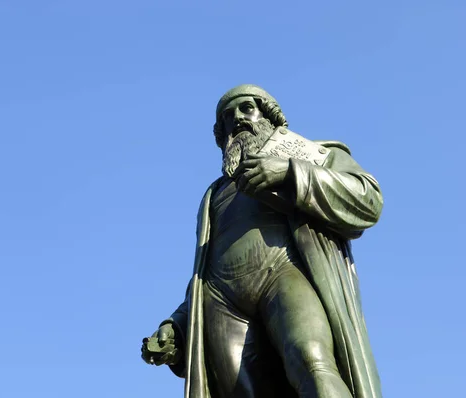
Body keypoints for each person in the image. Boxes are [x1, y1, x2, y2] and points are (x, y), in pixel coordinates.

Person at [141, 84, 383, 398]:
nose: (238, 119)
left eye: (247, 108)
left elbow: (368, 198)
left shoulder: (312, 154)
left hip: (284, 274)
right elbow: (206, 268)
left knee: (312, 362)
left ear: (270, 116)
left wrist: (291, 173)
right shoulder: (214, 194)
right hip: (222, 299)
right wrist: (178, 321)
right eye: (228, 117)